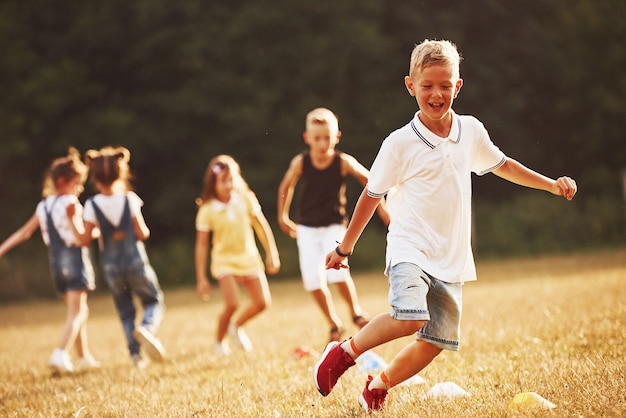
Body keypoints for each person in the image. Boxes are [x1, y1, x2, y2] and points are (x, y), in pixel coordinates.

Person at [313, 39, 578, 412]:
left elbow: (503, 165)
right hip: (410, 248)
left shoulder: (470, 131)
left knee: (436, 340)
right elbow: (371, 195)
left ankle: (378, 385)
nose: (436, 94)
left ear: (458, 86)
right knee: (411, 316)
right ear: (411, 86)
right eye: (427, 86)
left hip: (451, 256)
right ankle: (343, 353)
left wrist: (550, 184)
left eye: (444, 85)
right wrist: (345, 248)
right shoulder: (399, 144)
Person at [277, 107, 390, 343]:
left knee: (338, 274)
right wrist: (282, 216)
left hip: (335, 226)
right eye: (317, 138)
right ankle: (333, 323)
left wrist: (382, 208)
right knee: (313, 281)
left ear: (336, 137)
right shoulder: (301, 162)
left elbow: (370, 179)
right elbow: (286, 186)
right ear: (307, 138)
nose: (322, 143)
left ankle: (355, 312)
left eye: (327, 137)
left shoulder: (342, 162)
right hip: (306, 228)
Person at [0, 147, 100, 373]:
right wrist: (96, 232)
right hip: (74, 260)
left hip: (55, 264)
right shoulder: (70, 204)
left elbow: (24, 233)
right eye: (77, 183)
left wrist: (2, 248)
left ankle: (83, 356)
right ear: (64, 181)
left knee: (76, 310)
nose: (80, 188)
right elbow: (81, 237)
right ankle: (60, 353)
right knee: (79, 312)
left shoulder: (43, 206)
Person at [72, 146, 166, 369]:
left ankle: (135, 356)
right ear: (121, 172)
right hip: (135, 261)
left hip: (111, 267)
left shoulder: (92, 205)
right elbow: (143, 233)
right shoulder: (129, 199)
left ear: (94, 176)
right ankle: (146, 328)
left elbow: (85, 239)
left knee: (125, 311)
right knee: (153, 300)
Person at [195, 155, 281, 355]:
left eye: (231, 179)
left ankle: (236, 326)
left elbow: (261, 227)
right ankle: (219, 342)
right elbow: (201, 246)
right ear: (213, 182)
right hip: (224, 261)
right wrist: (201, 278)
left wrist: (272, 253)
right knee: (232, 303)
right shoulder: (207, 209)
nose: (228, 185)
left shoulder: (245, 199)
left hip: (249, 258)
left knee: (262, 303)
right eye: (223, 181)